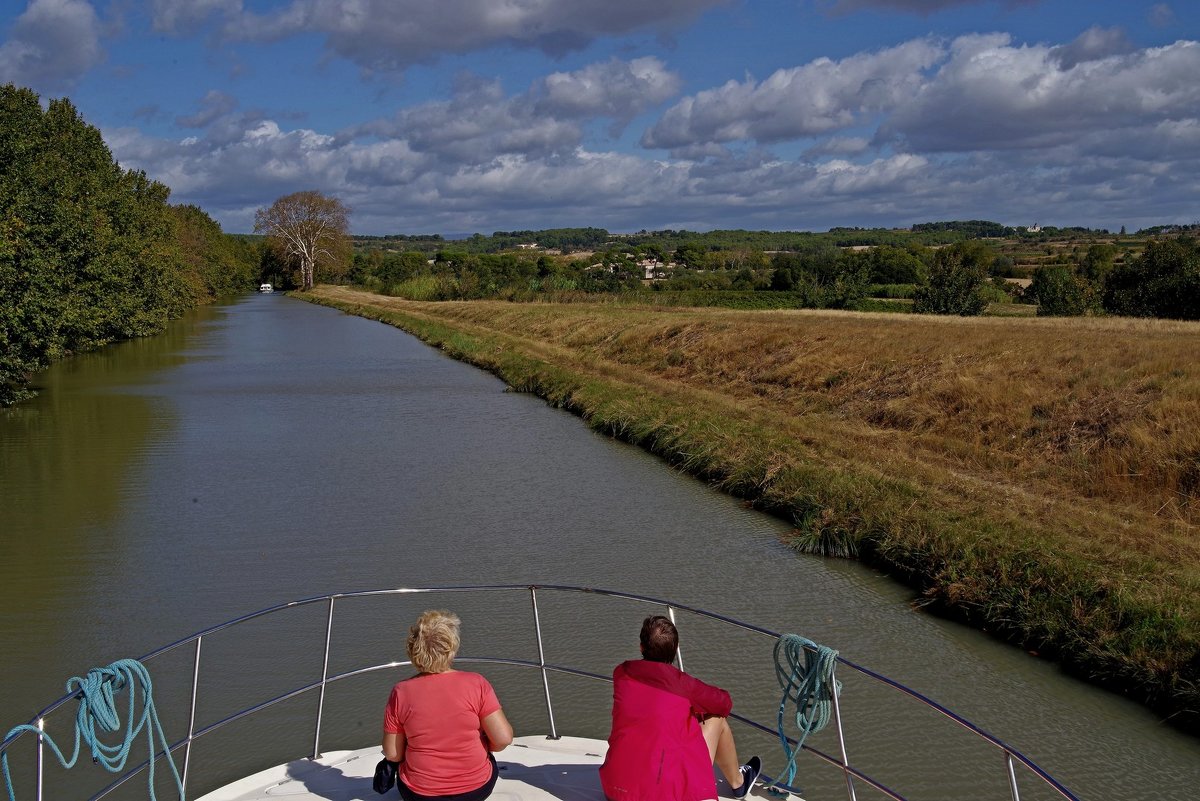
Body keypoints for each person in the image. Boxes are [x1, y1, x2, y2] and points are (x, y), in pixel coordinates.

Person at [599, 615, 762, 801]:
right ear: (675, 650)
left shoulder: (621, 673)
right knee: (717, 718)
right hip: (659, 797)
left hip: (614, 792)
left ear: (641, 647)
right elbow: (724, 704)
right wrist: (696, 706)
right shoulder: (682, 685)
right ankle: (738, 783)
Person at [381, 610, 513, 801]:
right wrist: (482, 746)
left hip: (420, 794)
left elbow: (393, 753)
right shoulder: (476, 683)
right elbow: (503, 738)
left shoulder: (400, 692)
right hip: (475, 789)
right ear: (451, 648)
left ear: (412, 649)